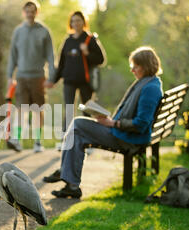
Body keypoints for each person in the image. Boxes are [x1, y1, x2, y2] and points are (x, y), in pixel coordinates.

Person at [43, 46, 164, 198]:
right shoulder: (149, 83)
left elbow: (141, 124)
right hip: (122, 133)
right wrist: (106, 119)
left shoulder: (149, 88)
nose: (132, 70)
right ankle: (70, 183)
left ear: (146, 66)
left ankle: (66, 174)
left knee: (78, 125)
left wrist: (113, 124)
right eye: (132, 66)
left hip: (127, 138)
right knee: (77, 131)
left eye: (136, 66)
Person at [6, 0, 55, 153]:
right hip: (21, 76)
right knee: (21, 109)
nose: (30, 14)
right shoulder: (18, 32)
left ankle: (37, 142)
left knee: (37, 109)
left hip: (38, 76)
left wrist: (52, 77)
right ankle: (18, 140)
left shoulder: (44, 31)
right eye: (27, 11)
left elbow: (51, 56)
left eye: (33, 11)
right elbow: (12, 55)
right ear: (24, 13)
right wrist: (9, 75)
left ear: (36, 12)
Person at [45, 11, 106, 134]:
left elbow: (101, 60)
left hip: (86, 82)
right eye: (73, 21)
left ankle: (88, 138)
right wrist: (53, 80)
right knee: (68, 109)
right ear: (70, 24)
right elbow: (61, 64)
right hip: (69, 81)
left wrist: (87, 53)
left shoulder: (89, 39)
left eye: (78, 20)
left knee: (86, 109)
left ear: (83, 22)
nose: (76, 23)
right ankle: (65, 137)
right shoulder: (68, 41)